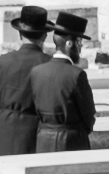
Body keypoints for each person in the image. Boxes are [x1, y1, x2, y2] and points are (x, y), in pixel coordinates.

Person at [0, 5, 55, 156]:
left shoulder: (1, 61)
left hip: (6, 124)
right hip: (35, 128)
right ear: (44, 36)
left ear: (19, 34)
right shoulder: (50, 64)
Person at [29, 11, 97, 153]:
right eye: (79, 42)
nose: (80, 48)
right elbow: (88, 115)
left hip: (43, 141)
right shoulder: (76, 75)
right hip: (71, 142)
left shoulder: (36, 72)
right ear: (69, 43)